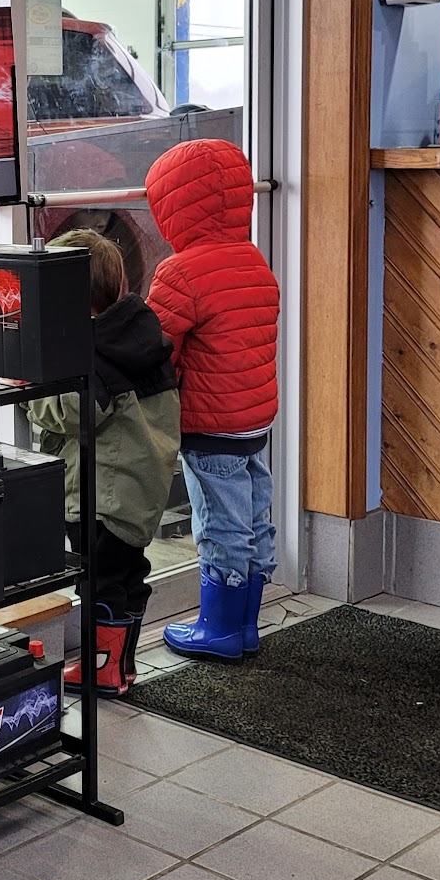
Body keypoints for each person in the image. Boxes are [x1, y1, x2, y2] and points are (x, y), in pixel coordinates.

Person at [142, 136, 279, 662]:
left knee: (220, 524)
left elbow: (156, 347)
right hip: (252, 421)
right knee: (254, 517)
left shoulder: (180, 272)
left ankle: (217, 629)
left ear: (173, 207)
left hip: (210, 426)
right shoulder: (253, 259)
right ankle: (246, 626)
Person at [26, 228, 180, 694]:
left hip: (101, 497)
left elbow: (73, 412)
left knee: (99, 581)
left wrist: (28, 392)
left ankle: (104, 670)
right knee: (128, 575)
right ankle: (121, 666)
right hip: (138, 489)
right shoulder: (136, 335)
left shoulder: (96, 352)